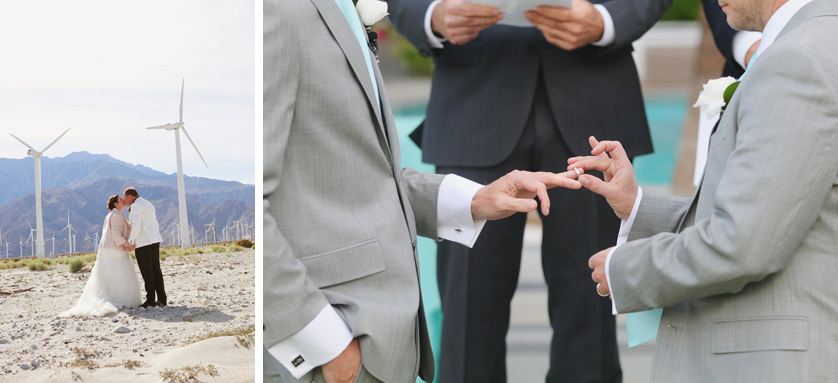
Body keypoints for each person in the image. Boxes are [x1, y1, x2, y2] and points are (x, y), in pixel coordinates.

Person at [263, 1, 584, 382]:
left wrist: (475, 200)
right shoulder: (277, 10)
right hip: (337, 347)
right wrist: (326, 345)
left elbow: (356, 171)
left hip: (379, 345)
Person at [385, 0, 670, 380]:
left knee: (590, 312)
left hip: (593, 103)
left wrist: (607, 21)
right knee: (468, 316)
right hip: (473, 105)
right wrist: (432, 14)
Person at [573, 0, 838, 380]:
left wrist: (625, 267)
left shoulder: (796, 59)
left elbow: (743, 243)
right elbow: (785, 207)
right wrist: (638, 206)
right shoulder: (818, 41)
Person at [61, 195, 141, 317]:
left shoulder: (113, 215)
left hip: (108, 249)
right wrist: (127, 244)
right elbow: (115, 233)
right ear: (115, 204)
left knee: (108, 274)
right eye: (120, 199)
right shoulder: (116, 216)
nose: (123, 200)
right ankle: (118, 299)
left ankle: (113, 297)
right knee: (117, 273)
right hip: (114, 250)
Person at [123, 187, 166, 308]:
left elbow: (136, 226)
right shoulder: (148, 204)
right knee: (156, 270)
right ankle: (162, 299)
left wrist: (130, 241)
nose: (124, 201)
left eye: (125, 198)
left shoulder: (136, 206)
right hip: (154, 240)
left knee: (147, 272)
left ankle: (151, 300)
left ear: (131, 197)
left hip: (143, 242)